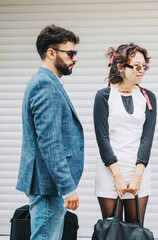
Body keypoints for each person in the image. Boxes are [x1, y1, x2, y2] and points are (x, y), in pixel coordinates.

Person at [16, 24, 83, 240]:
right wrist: (67, 187)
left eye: (75, 53)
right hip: (48, 186)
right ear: (51, 53)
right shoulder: (44, 85)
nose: (75, 58)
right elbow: (50, 142)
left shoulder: (48, 83)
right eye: (70, 53)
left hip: (48, 185)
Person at [93, 43, 156, 223]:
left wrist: (137, 175)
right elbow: (102, 138)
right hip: (109, 170)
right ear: (121, 67)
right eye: (136, 66)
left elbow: (147, 138)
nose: (141, 70)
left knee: (135, 228)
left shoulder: (148, 97)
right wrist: (117, 176)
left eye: (144, 66)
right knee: (111, 228)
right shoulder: (104, 96)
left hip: (139, 170)